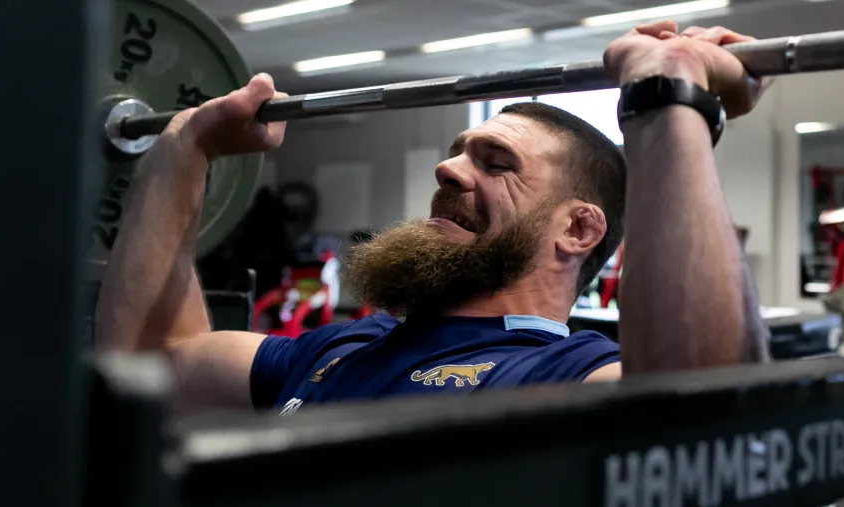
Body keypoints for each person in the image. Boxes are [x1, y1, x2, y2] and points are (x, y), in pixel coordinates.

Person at [96, 21, 771, 416]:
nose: (447, 171)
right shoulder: (340, 348)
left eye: (496, 163)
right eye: (456, 154)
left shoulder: (560, 374)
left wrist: (666, 92)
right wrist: (183, 149)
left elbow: (699, 412)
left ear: (578, 230)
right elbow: (149, 363)